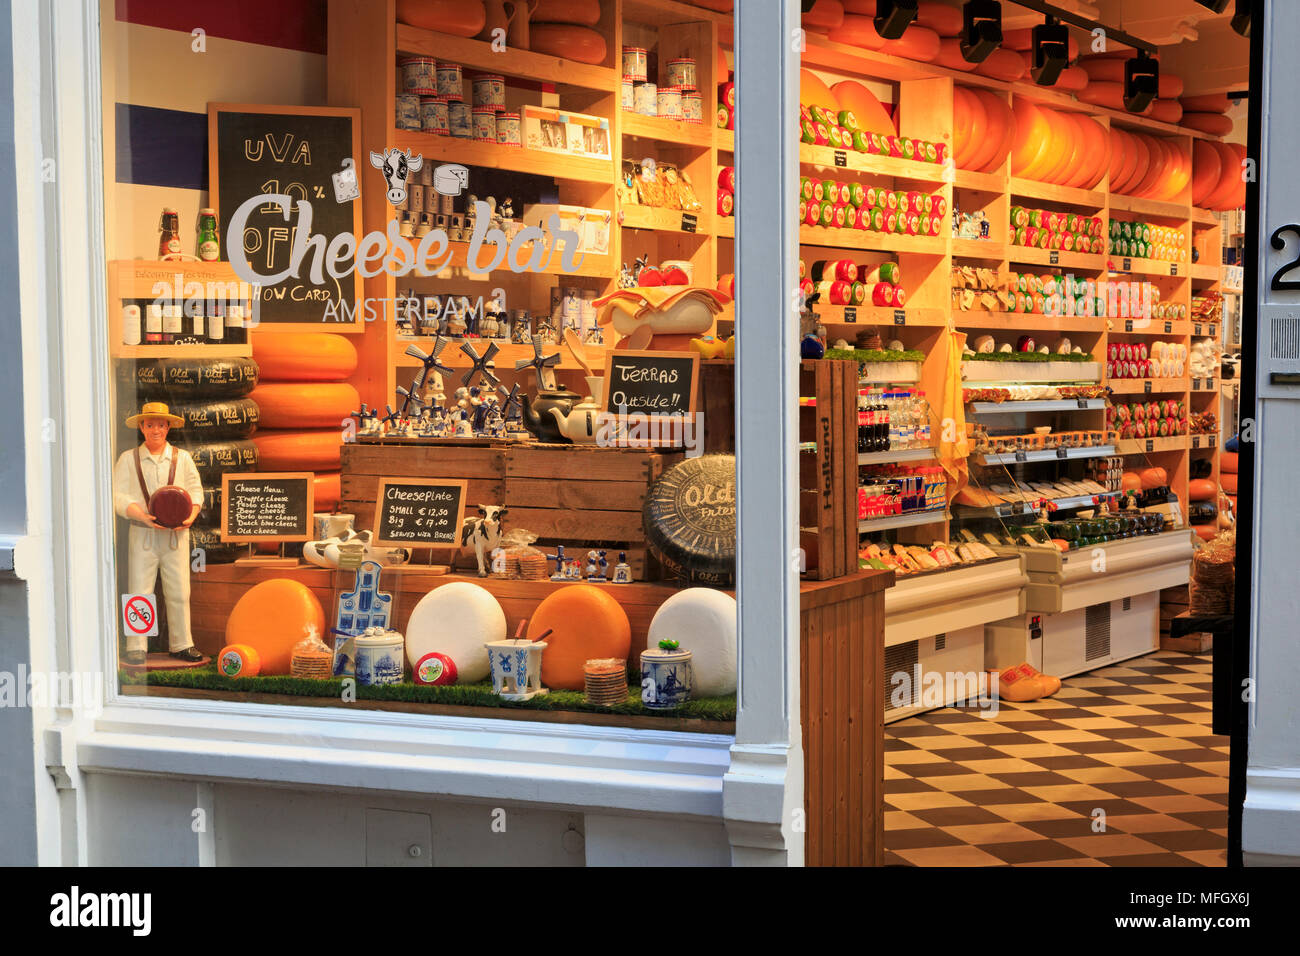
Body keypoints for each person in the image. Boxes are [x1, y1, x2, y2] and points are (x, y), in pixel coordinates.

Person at [112, 402, 205, 665]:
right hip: (142, 535)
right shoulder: (128, 459)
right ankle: (137, 645)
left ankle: (182, 644)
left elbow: (196, 491)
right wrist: (139, 514)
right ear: (142, 427)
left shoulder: (182, 458)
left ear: (168, 427)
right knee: (140, 588)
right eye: (150, 424)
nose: (155, 430)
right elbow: (117, 497)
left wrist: (191, 515)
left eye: (160, 424)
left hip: (175, 536)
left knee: (179, 590)